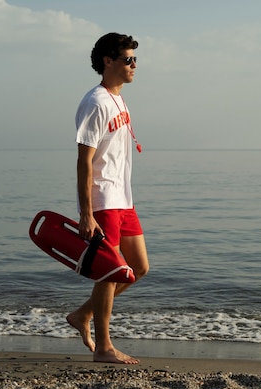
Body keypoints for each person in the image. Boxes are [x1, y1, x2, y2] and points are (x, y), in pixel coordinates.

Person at [66, 33, 149, 364]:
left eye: (134, 60)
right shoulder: (95, 102)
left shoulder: (118, 100)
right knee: (110, 272)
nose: (134, 65)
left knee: (138, 267)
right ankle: (104, 347)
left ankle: (82, 315)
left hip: (123, 199)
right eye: (128, 60)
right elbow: (84, 160)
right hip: (103, 201)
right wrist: (86, 215)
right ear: (108, 62)